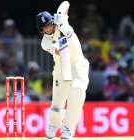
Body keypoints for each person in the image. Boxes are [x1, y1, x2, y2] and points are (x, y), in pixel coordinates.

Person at [36, 11, 89, 139]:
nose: (48, 28)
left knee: (76, 94)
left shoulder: (64, 26)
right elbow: (61, 51)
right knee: (58, 101)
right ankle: (54, 125)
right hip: (61, 67)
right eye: (45, 27)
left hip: (77, 66)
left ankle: (67, 129)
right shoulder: (45, 43)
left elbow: (74, 45)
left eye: (49, 24)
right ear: (42, 30)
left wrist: (64, 26)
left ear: (53, 22)